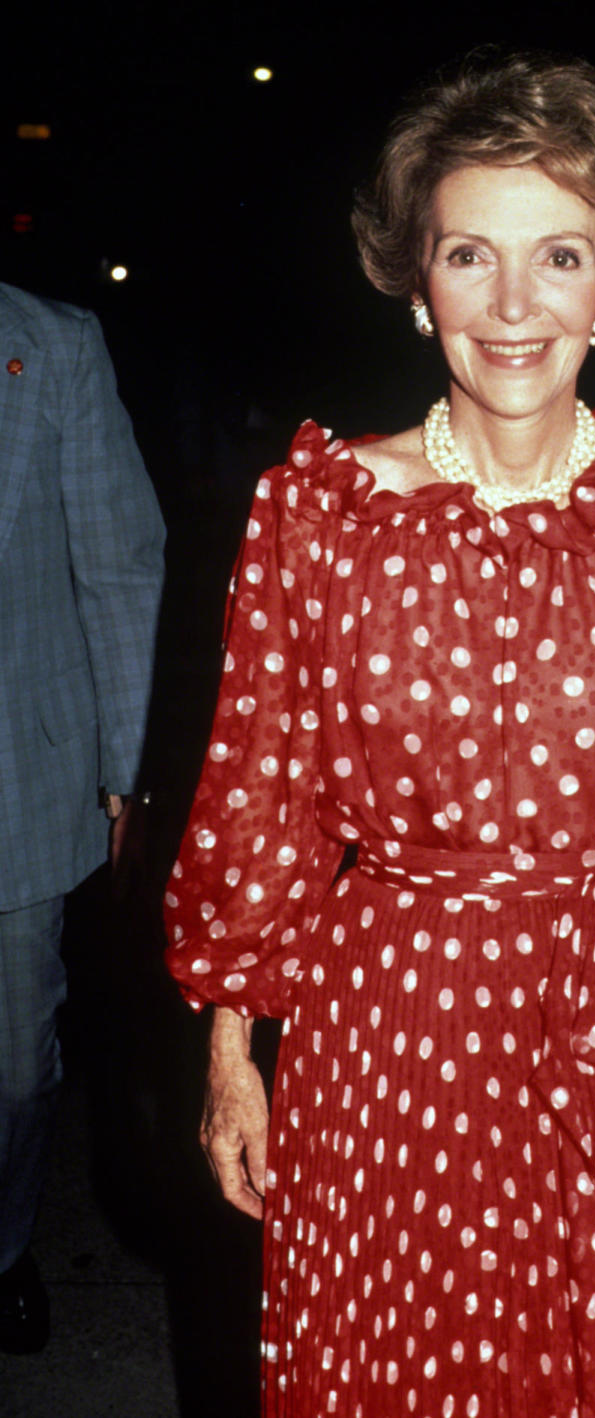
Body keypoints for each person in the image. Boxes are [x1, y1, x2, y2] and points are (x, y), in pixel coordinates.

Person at [164, 54, 595, 1417]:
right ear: (415, 283)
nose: (513, 306)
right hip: (391, 1039)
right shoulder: (318, 517)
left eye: (557, 256)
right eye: (470, 255)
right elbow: (259, 797)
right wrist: (232, 1059)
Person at [0, 281, 165, 1352]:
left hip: (17, 778)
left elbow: (117, 567)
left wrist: (125, 770)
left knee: (13, 1064)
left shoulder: (50, 346)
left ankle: (3, 1246)